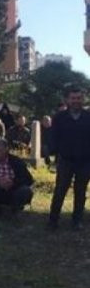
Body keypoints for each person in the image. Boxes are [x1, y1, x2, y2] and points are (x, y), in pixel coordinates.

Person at [48, 86, 90, 231]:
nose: (76, 101)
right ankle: (53, 220)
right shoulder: (59, 117)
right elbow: (53, 137)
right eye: (73, 98)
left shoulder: (88, 117)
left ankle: (77, 220)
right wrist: (54, 154)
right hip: (66, 159)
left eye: (79, 98)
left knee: (80, 191)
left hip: (85, 161)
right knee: (60, 190)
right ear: (67, 100)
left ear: (83, 99)